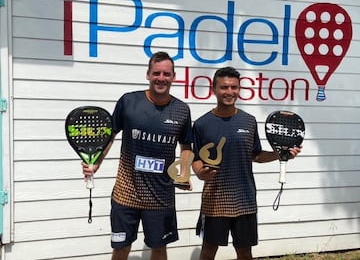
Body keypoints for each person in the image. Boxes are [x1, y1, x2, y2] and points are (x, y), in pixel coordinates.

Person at [82, 51, 193, 260]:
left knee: (159, 250)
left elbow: (186, 144)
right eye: (157, 73)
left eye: (166, 74)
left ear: (174, 77)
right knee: (121, 249)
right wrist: (95, 163)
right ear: (148, 74)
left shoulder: (181, 110)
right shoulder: (128, 101)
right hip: (126, 194)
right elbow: (110, 136)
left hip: (161, 198)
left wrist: (184, 172)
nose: (161, 78)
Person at [191, 66, 302, 260]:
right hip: (214, 201)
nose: (229, 92)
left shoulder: (249, 121)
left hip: (245, 200)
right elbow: (196, 160)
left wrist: (281, 154)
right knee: (208, 251)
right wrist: (201, 173)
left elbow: (256, 155)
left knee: (245, 252)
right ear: (214, 89)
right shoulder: (201, 124)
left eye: (234, 87)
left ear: (239, 89)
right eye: (224, 87)